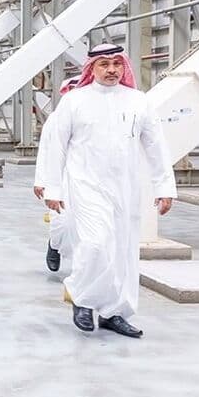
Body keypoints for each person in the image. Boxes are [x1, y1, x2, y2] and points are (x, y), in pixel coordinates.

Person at [33, 44, 176, 338]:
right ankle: (82, 299)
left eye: (116, 64)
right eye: (104, 64)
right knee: (95, 245)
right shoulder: (74, 101)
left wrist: (164, 187)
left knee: (122, 253)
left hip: (125, 188)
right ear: (92, 69)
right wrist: (52, 187)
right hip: (85, 186)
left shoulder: (139, 101)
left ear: (124, 67)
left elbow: (156, 146)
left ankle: (114, 313)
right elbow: (55, 146)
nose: (111, 70)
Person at [35, 76, 81, 273]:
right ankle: (54, 246)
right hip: (60, 178)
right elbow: (45, 150)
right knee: (61, 222)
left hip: (88, 179)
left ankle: (83, 269)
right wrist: (41, 181)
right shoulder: (55, 119)